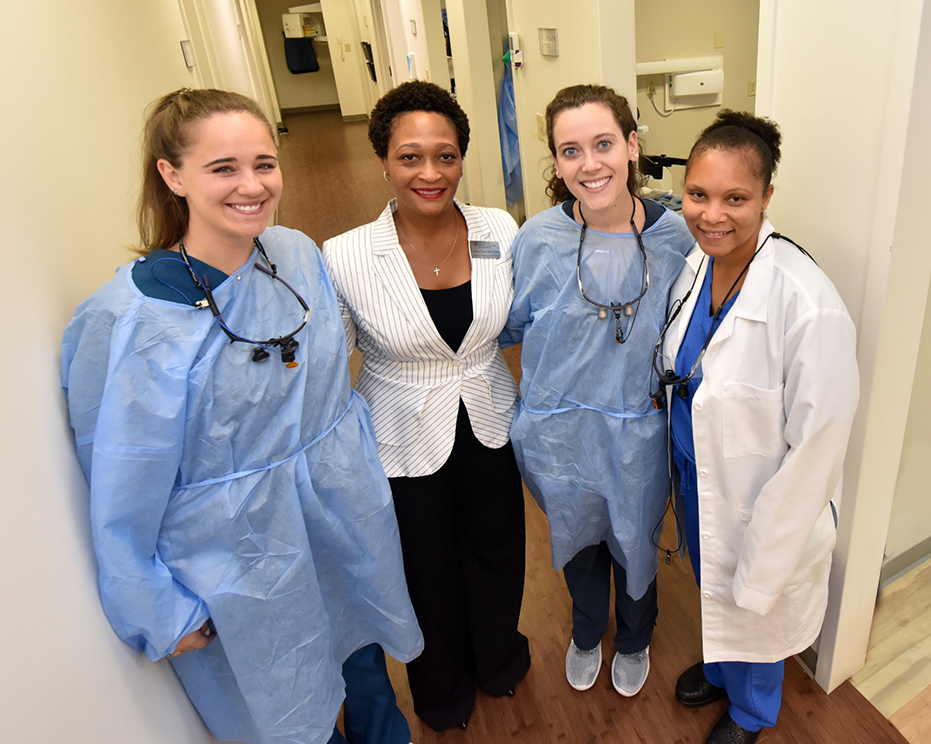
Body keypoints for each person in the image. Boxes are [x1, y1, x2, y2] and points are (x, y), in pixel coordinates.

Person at [60, 88, 423, 744]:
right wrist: (158, 609)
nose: (252, 186)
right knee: (290, 703)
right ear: (172, 176)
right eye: (223, 168)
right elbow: (120, 486)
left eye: (264, 163)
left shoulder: (295, 254)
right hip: (242, 561)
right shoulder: (133, 321)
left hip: (338, 524)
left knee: (364, 664)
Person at [322, 80, 530, 731]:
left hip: (489, 411)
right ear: (383, 160)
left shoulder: (499, 227)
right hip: (398, 427)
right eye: (410, 156)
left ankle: (499, 658)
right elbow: (329, 366)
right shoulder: (346, 254)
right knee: (425, 567)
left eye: (445, 155)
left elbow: (521, 319)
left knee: (497, 548)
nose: (430, 172)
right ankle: (440, 691)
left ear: (462, 157)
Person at [653, 110, 859, 744]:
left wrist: (772, 554)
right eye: (698, 195)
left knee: (754, 597)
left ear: (767, 196)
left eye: (735, 198)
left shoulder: (807, 302)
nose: (711, 214)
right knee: (711, 578)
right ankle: (722, 668)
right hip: (696, 472)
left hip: (760, 498)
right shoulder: (698, 264)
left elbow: (816, 448)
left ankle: (751, 712)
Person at [501, 85, 693, 697]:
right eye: (570, 150)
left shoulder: (679, 243)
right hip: (558, 430)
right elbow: (508, 326)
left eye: (604, 144)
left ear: (633, 145)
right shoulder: (537, 239)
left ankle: (634, 639)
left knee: (635, 541)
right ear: (556, 163)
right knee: (578, 539)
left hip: (637, 428)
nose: (590, 164)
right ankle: (588, 630)